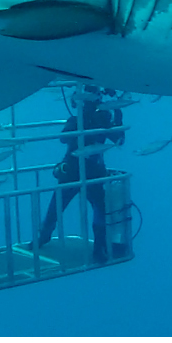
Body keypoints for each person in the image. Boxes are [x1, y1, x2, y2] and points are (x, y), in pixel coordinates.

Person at [36, 85, 125, 263]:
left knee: (94, 208)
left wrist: (116, 114)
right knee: (59, 207)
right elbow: (64, 138)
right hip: (77, 170)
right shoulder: (78, 119)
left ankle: (98, 247)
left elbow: (119, 140)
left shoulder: (101, 119)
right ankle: (45, 236)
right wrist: (85, 120)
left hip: (87, 171)